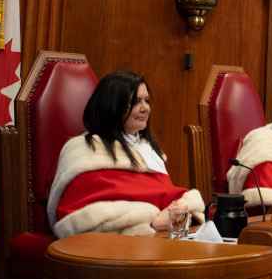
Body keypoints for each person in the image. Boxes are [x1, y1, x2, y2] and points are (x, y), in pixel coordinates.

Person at [47, 71, 205, 238]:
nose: (145, 108)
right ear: (112, 106)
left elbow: (167, 196)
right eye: (135, 102)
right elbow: (79, 221)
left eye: (146, 101)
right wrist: (152, 224)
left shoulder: (149, 149)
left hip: (165, 240)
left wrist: (180, 213)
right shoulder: (85, 150)